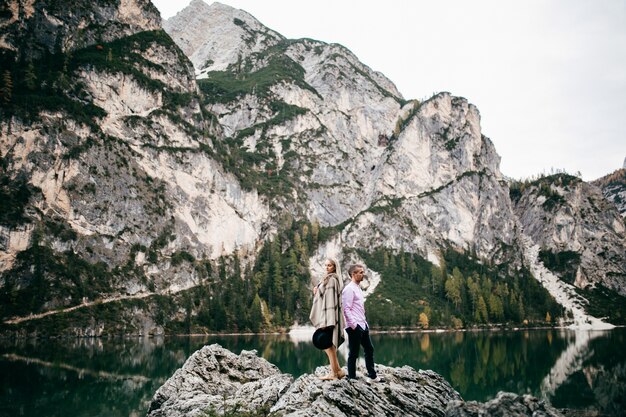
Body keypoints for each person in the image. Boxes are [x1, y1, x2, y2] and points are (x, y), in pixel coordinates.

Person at [342, 264, 384, 383]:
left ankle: (373, 376)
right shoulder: (349, 289)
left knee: (369, 349)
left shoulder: (358, 288)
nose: (363, 274)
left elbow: (358, 308)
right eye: (360, 272)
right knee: (354, 353)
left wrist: (364, 324)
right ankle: (351, 377)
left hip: (363, 324)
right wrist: (354, 326)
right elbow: (346, 309)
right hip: (355, 326)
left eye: (363, 272)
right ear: (353, 274)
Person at [309, 259, 346, 380]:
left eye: (329, 265)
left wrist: (326, 321)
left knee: (328, 346)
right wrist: (317, 290)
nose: (326, 267)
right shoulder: (329, 279)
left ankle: (334, 373)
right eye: (325, 265)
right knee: (329, 346)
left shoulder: (331, 280)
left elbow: (329, 301)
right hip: (329, 317)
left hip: (328, 318)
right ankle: (338, 371)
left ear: (335, 267)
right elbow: (324, 296)